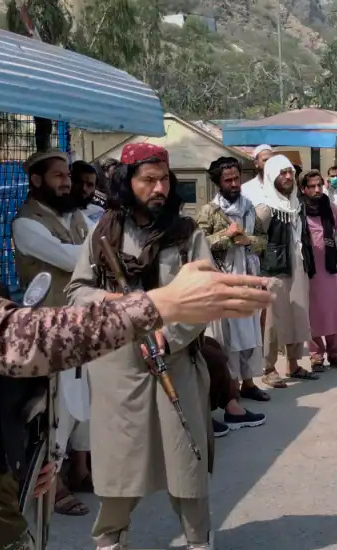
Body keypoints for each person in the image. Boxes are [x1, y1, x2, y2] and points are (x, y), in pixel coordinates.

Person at [0, 42, 272, 550]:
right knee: (121, 471)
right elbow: (12, 341)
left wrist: (19, 451)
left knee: (186, 465)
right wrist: (159, 306)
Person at [66, 143, 222, 550]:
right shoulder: (103, 234)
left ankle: (198, 540)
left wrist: (170, 336)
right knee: (120, 464)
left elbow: (206, 296)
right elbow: (77, 293)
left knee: (185, 459)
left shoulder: (187, 235)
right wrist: (119, 304)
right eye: (149, 180)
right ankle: (111, 539)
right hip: (118, 368)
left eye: (164, 179)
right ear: (127, 182)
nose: (159, 188)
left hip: (176, 362)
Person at [12, 149, 95, 516]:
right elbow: (76, 258)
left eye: (67, 176)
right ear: (37, 180)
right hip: (50, 331)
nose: (67, 182)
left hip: (83, 325)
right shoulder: (25, 224)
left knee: (86, 401)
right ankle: (53, 485)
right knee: (57, 409)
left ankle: (81, 471)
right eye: (58, 176)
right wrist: (94, 250)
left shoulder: (75, 215)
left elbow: (99, 245)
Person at [196, 155, 271, 423]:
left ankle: (249, 383)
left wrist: (248, 240)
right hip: (224, 280)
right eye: (228, 180)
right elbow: (199, 243)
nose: (234, 184)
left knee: (250, 332)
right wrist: (226, 237)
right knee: (228, 337)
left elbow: (263, 240)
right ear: (218, 182)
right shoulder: (209, 211)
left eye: (236, 178)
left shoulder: (249, 207)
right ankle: (231, 390)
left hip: (248, 276)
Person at [254, 155, 316, 387]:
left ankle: (293, 364)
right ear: (272, 176)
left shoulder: (297, 204)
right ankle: (268, 367)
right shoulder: (265, 208)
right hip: (275, 270)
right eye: (283, 173)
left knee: (298, 315)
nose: (288, 177)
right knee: (272, 321)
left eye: (290, 172)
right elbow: (256, 242)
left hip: (298, 265)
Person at [300, 170, 337, 371]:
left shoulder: (332, 208)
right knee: (312, 313)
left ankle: (335, 353)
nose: (316, 190)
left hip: (330, 268)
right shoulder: (298, 210)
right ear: (303, 189)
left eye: (319, 186)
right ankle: (316, 355)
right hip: (309, 269)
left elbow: (336, 229)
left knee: (335, 310)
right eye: (311, 186)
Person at [71, 159, 105, 224]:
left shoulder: (99, 213)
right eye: (79, 182)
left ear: (95, 188)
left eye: (89, 185)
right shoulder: (60, 214)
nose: (84, 188)